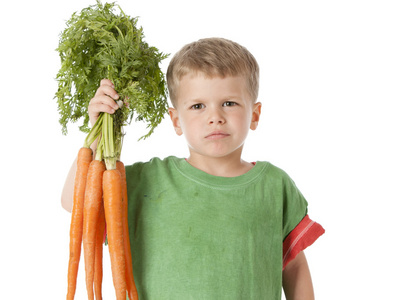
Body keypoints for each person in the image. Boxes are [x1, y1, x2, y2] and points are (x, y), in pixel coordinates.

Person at [62, 37, 325, 300]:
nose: (215, 117)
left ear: (254, 115)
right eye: (198, 106)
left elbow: (294, 266)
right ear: (176, 120)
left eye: (229, 103)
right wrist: (97, 132)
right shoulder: (148, 181)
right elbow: (73, 201)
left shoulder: (274, 185)